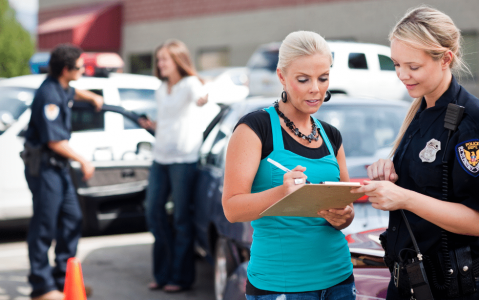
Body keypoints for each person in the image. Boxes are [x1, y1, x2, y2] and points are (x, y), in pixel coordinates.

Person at [353, 6, 479, 300]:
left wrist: (405, 198)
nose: (401, 75)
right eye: (396, 64)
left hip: (452, 287)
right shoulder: (421, 110)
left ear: (445, 59)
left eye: (413, 66)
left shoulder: (472, 121)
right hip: (411, 282)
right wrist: (390, 175)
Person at [222, 31, 356, 300]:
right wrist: (282, 193)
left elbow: (345, 207)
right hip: (280, 286)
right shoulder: (255, 128)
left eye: (323, 78)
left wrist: (345, 216)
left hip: (340, 279)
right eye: (303, 79)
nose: (315, 89)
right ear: (282, 76)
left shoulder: (331, 135)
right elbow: (232, 209)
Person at [23, 44, 103, 300]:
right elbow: (54, 142)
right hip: (45, 168)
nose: (83, 70)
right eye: (80, 67)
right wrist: (84, 161)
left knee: (72, 219)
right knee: (44, 226)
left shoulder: (63, 87)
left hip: (59, 169)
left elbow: (72, 93)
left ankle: (65, 280)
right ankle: (42, 287)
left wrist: (90, 96)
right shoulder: (49, 95)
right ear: (67, 69)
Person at [139, 39, 215, 293]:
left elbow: (200, 98)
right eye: (158, 59)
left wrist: (204, 97)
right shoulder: (161, 88)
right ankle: (162, 274)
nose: (160, 64)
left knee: (182, 218)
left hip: (183, 159)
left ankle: (180, 277)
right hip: (160, 157)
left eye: (165, 59)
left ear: (178, 61)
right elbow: (168, 120)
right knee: (154, 213)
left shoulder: (190, 84)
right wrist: (153, 126)